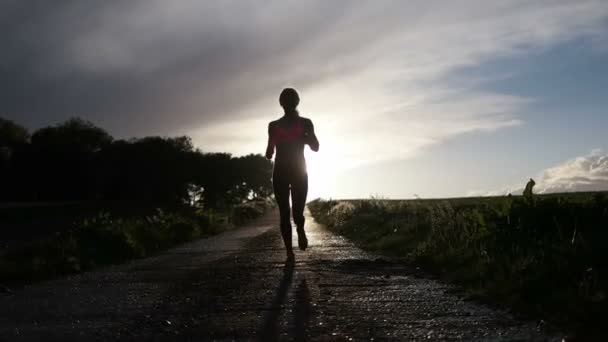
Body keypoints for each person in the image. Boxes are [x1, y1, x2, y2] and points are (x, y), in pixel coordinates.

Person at [265, 88, 319, 264]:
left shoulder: (278, 125)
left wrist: (280, 142)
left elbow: (268, 153)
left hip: (287, 171)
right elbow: (315, 147)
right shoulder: (299, 124)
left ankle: (293, 245)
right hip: (293, 171)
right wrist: (303, 138)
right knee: (292, 211)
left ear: (282, 103)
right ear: (297, 102)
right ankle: (294, 241)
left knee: (289, 212)